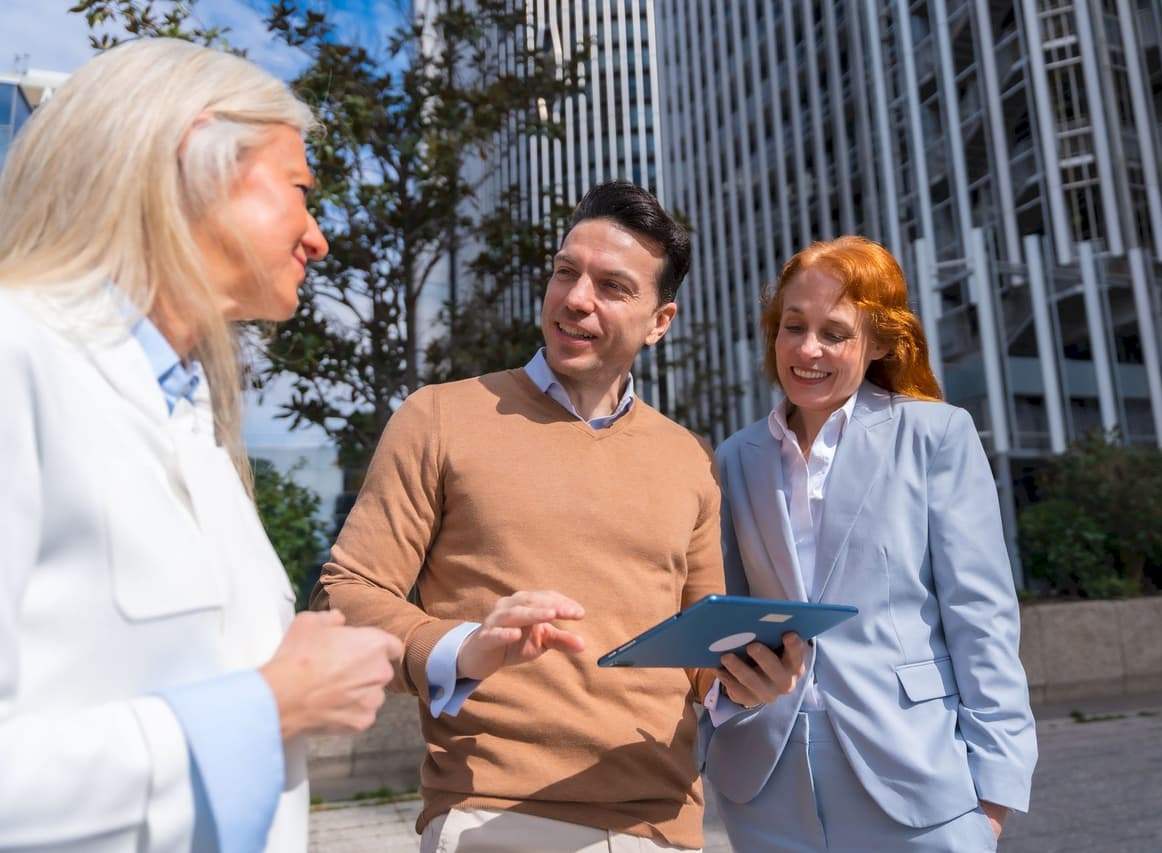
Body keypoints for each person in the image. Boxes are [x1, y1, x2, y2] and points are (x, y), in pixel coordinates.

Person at [316, 180, 804, 853]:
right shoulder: (438, 417)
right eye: (565, 271)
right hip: (492, 816)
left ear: (660, 322)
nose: (575, 298)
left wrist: (750, 679)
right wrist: (466, 647)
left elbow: (700, 661)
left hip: (660, 829)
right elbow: (343, 595)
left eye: (611, 285)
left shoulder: (688, 458)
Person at [0, 39, 403, 852]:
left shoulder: (203, 436)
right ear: (198, 159)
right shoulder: (16, 358)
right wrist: (265, 707)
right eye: (299, 189)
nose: (318, 238)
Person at [701, 236, 1037, 852]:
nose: (807, 349)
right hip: (766, 785)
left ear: (880, 341)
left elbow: (981, 617)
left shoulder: (936, 435)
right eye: (792, 326)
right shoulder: (736, 457)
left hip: (915, 772)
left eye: (835, 333)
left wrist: (993, 795)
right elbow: (731, 620)